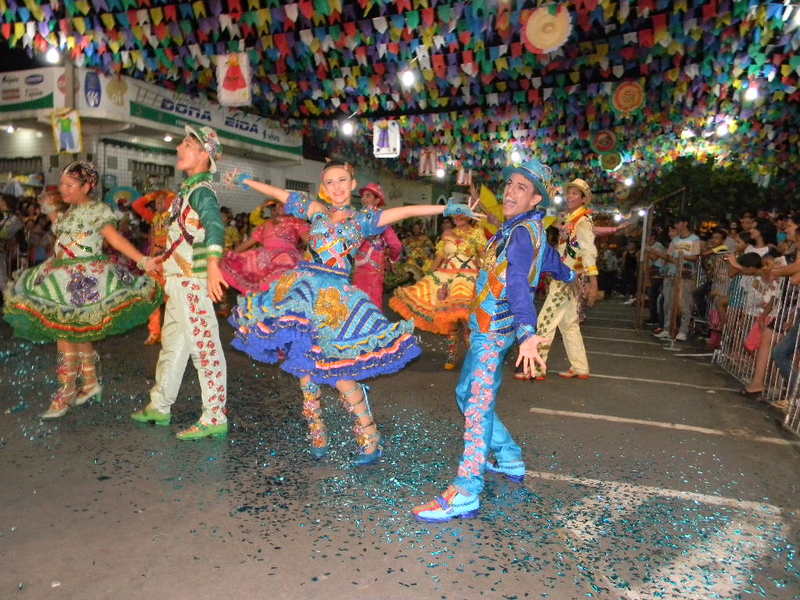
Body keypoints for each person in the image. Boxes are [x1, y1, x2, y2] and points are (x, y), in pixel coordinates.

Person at [226, 161, 482, 466]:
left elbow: (408, 211)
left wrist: (448, 210)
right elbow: (282, 194)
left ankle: (370, 437)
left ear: (352, 182)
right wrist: (246, 180)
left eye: (342, 181)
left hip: (336, 300)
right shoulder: (315, 210)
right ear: (324, 185)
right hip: (303, 291)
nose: (336, 187)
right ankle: (317, 434)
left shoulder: (364, 220)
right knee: (304, 370)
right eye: (330, 182)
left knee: (340, 374)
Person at [411, 159, 575, 523]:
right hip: (487, 329)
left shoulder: (519, 234)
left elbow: (518, 284)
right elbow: (549, 260)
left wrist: (528, 334)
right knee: (466, 394)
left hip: (495, 332)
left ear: (536, 200)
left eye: (521, 187)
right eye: (510, 184)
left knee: (478, 404)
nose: (510, 191)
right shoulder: (525, 229)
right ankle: (510, 454)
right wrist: (571, 271)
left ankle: (466, 490)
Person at [3, 161, 162, 419]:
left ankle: (65, 392)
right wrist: (52, 215)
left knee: (65, 333)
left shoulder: (97, 210)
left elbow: (115, 239)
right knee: (76, 332)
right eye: (62, 184)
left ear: (87, 186)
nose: (63, 189)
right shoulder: (69, 213)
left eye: (69, 185)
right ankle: (89, 384)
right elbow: (63, 240)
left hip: (84, 278)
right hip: (59, 274)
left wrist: (142, 260)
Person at [130, 125, 230, 441]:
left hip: (191, 284)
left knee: (205, 348)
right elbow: (186, 235)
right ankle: (160, 405)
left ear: (204, 154)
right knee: (172, 346)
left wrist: (213, 265)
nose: (179, 148)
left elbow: (215, 227)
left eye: (187, 144)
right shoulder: (187, 191)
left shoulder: (201, 192)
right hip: (177, 282)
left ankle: (215, 414)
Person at [389, 208, 485, 369]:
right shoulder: (447, 234)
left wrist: (485, 272)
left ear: (469, 216)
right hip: (445, 277)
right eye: (455, 213)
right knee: (449, 318)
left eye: (461, 213)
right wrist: (427, 276)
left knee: (467, 320)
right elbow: (439, 257)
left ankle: (473, 356)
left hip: (468, 279)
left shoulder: (477, 233)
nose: (457, 216)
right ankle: (452, 354)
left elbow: (483, 258)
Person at [532, 178, 597, 380]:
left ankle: (536, 368)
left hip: (568, 278)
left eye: (575, 194)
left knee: (545, 320)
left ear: (584, 199)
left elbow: (588, 250)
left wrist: (593, 280)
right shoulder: (569, 219)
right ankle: (580, 367)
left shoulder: (583, 221)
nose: (570, 196)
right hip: (567, 275)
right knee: (569, 324)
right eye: (569, 193)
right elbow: (549, 220)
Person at [220, 200, 309, 294]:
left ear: (292, 207)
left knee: (278, 288)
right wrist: (232, 254)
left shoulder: (297, 222)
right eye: (278, 205)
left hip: (286, 259)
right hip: (263, 260)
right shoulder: (266, 224)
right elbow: (249, 242)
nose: (279, 207)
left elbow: (310, 240)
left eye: (283, 205)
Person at [131, 190, 174, 345]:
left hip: (171, 262)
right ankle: (154, 332)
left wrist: (167, 193)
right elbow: (136, 205)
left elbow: (177, 200)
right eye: (156, 201)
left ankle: (170, 336)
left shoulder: (174, 217)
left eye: (162, 200)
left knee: (171, 299)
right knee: (152, 296)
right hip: (154, 261)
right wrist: (152, 194)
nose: (158, 203)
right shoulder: (154, 217)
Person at [352, 183, 402, 309]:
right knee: (365, 299)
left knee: (363, 299)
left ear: (377, 200)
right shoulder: (361, 217)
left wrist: (391, 258)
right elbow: (395, 246)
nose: (364, 199)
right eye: (363, 196)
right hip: (364, 265)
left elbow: (396, 244)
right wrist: (392, 258)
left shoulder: (378, 219)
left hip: (370, 265)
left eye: (368, 196)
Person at [653, 217, 701, 341]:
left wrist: (682, 256)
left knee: (685, 303)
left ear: (685, 223)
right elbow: (669, 256)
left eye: (678, 223)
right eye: (675, 223)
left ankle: (683, 330)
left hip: (686, 275)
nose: (677, 225)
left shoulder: (694, 239)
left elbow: (695, 257)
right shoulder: (674, 240)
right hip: (671, 273)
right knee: (668, 303)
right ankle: (667, 329)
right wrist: (662, 256)